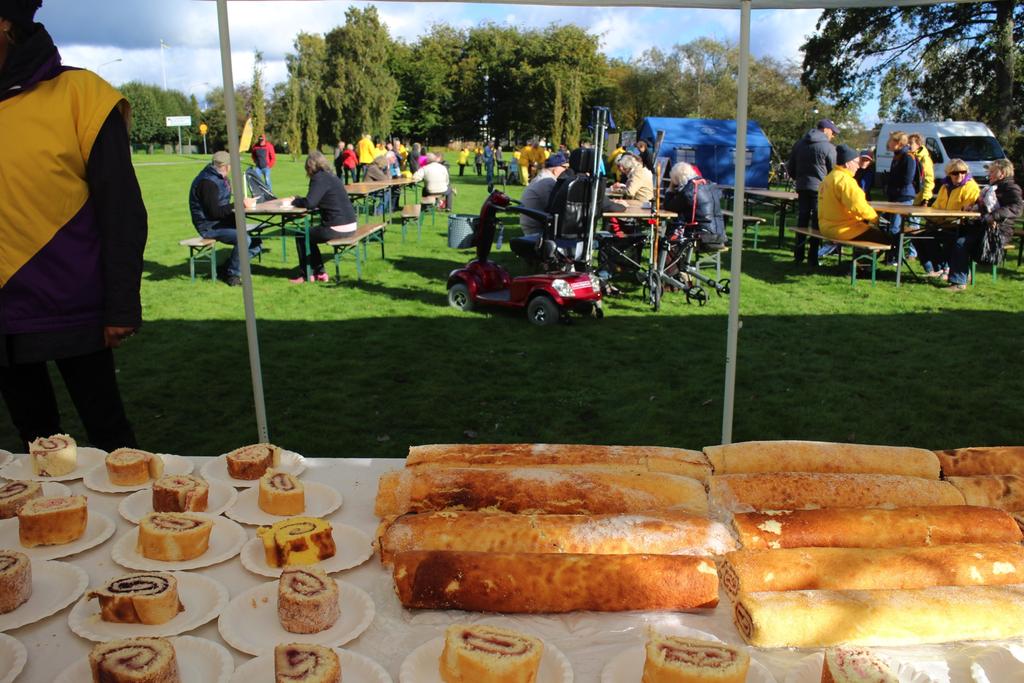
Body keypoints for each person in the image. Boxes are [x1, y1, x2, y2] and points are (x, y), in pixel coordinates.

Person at [0, 0, 146, 451]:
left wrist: (120, 306)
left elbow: (121, 209)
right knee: (35, 447)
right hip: (4, 316)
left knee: (110, 441)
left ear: (6, 23)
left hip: (75, 306)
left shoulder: (83, 95)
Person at [943, 159, 1022, 291]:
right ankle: (954, 274)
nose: (989, 174)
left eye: (992, 172)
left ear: (1001, 173)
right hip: (981, 227)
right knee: (949, 235)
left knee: (961, 243)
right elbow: (985, 208)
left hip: (998, 232)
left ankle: (958, 282)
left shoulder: (1010, 188)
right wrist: (973, 208)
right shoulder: (991, 188)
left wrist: (993, 217)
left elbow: (1016, 207)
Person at [282, 151, 358, 284]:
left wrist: (294, 201)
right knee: (310, 234)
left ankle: (307, 274)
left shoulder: (319, 178)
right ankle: (320, 272)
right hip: (350, 225)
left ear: (310, 167)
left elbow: (310, 203)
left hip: (338, 227)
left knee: (301, 234)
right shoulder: (332, 177)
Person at [188, 151, 259, 287]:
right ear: (227, 167)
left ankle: (226, 268)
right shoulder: (207, 183)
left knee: (256, 242)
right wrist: (239, 204)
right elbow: (214, 213)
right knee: (245, 239)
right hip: (209, 226)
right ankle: (233, 275)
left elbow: (222, 208)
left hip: (221, 221)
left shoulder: (221, 178)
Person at [918, 158, 981, 279]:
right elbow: (936, 206)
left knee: (934, 238)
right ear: (949, 174)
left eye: (963, 172)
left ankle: (946, 268)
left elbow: (968, 210)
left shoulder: (970, 187)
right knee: (918, 237)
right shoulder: (945, 187)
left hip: (960, 225)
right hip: (943, 223)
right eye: (955, 173)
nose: (960, 175)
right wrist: (932, 219)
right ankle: (935, 268)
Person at [787, 119, 838, 267]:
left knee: (802, 220)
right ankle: (813, 257)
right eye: (833, 132)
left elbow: (791, 167)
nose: (833, 135)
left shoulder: (799, 144)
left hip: (802, 187)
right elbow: (833, 171)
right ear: (826, 130)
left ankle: (798, 255)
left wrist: (799, 179)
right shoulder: (828, 147)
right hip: (820, 190)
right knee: (817, 222)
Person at [817, 144, 885, 244]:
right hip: (843, 229)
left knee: (870, 234)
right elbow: (858, 206)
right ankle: (862, 260)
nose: (858, 165)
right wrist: (875, 219)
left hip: (825, 227)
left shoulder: (829, 177)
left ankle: (859, 258)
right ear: (848, 163)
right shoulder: (846, 181)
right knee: (888, 240)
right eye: (857, 162)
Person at [663, 162, 726, 248]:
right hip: (720, 234)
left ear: (678, 179)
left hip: (702, 236)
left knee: (666, 240)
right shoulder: (710, 185)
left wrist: (670, 188)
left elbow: (668, 206)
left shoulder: (689, 191)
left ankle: (673, 260)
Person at [882, 130, 919, 264]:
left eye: (891, 141)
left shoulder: (908, 157)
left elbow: (907, 178)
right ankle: (890, 255)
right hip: (894, 195)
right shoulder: (897, 156)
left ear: (898, 142)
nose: (889, 144)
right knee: (888, 226)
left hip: (903, 196)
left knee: (896, 228)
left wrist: (893, 184)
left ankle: (896, 258)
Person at [519, 153, 569, 237]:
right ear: (555, 169)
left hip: (532, 226)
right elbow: (555, 208)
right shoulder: (548, 181)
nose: (566, 170)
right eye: (565, 167)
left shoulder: (543, 177)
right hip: (536, 230)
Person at [908, 133, 935, 207]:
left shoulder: (924, 159)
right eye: (907, 143)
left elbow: (929, 179)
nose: (908, 145)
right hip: (908, 196)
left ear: (918, 144)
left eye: (911, 143)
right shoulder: (910, 156)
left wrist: (926, 199)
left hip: (917, 199)